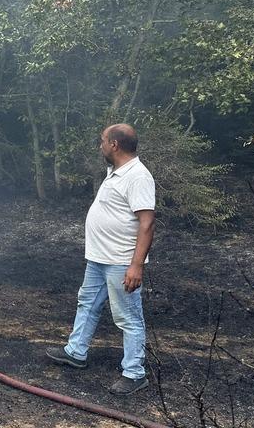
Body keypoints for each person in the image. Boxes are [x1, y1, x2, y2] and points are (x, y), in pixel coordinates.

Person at [46, 124, 156, 395]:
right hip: (98, 259)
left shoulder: (138, 176)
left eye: (103, 141)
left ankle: (134, 372)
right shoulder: (116, 172)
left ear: (115, 145)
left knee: (128, 316)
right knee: (87, 303)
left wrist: (136, 265)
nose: (101, 146)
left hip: (120, 260)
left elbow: (147, 223)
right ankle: (76, 351)